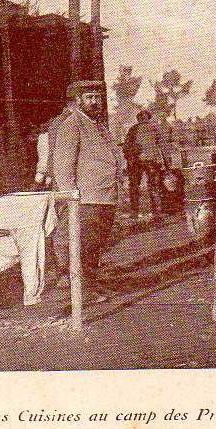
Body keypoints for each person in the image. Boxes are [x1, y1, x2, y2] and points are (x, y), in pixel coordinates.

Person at [52, 80, 123, 301]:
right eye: (89, 97)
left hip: (106, 195)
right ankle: (80, 289)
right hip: (86, 197)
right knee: (80, 243)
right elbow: (63, 165)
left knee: (95, 244)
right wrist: (69, 195)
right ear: (78, 100)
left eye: (97, 97)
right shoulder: (72, 124)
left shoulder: (98, 125)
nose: (94, 101)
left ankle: (91, 285)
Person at [123, 110, 164, 220]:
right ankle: (157, 214)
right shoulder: (155, 128)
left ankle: (134, 212)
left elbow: (126, 147)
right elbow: (162, 147)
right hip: (151, 161)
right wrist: (165, 163)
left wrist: (129, 160)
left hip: (136, 161)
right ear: (148, 118)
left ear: (138, 119)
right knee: (154, 187)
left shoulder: (133, 129)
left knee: (134, 187)